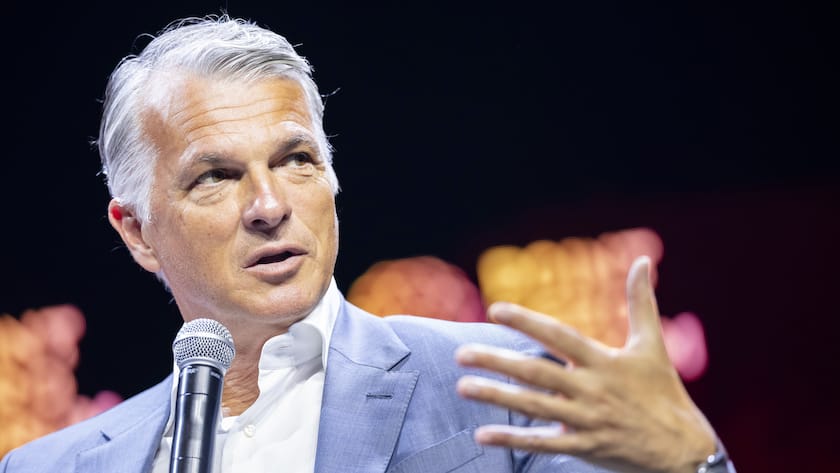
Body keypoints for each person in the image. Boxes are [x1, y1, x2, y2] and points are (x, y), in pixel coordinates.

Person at [0, 15, 735, 473]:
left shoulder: (505, 389)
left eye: (296, 160)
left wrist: (696, 465)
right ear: (137, 232)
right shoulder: (50, 465)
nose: (269, 205)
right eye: (217, 176)